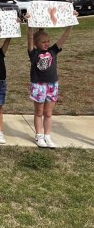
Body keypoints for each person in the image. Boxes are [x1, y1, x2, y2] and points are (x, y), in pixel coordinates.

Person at [27, 17, 75, 148]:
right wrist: (29, 24)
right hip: (38, 85)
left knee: (48, 113)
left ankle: (47, 136)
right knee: (39, 112)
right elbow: (30, 38)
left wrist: (70, 23)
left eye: (48, 41)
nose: (47, 44)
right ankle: (39, 136)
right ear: (37, 44)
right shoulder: (34, 53)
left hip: (52, 85)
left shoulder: (53, 51)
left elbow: (64, 37)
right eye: (43, 42)